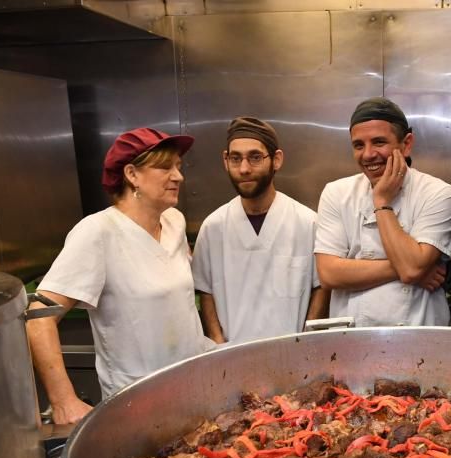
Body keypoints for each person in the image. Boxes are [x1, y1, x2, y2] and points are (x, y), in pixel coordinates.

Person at [27, 127, 215, 424]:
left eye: (178, 167)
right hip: (136, 404)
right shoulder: (98, 232)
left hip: (194, 388)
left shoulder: (174, 221)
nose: (178, 176)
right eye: (165, 167)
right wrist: (63, 400)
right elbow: (39, 316)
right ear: (132, 174)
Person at [314, 97, 451, 326]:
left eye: (379, 142)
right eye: (359, 145)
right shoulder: (336, 193)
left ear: (406, 143)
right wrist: (409, 268)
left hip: (418, 340)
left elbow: (410, 269)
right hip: (350, 339)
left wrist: (381, 201)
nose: (368, 154)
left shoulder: (438, 193)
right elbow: (329, 274)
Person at [192, 117, 329, 344]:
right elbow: (205, 292)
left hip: (292, 359)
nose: (244, 169)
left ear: (276, 160)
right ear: (225, 161)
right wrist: (217, 343)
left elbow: (320, 288)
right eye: (236, 158)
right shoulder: (213, 228)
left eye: (255, 157)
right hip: (231, 360)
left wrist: (306, 341)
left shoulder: (307, 223)